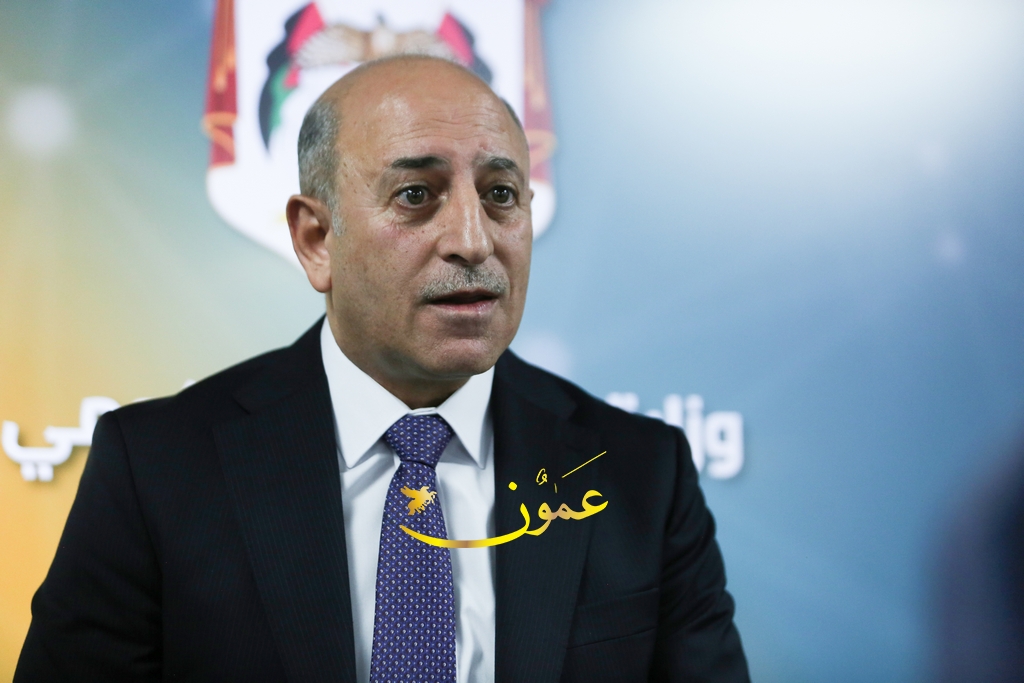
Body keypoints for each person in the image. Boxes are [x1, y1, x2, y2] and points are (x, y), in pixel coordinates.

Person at [15, 56, 749, 682]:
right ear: (316, 239)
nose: (472, 241)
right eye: (416, 196)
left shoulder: (640, 474)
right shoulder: (157, 468)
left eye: (500, 195)